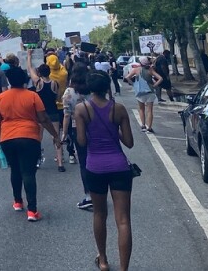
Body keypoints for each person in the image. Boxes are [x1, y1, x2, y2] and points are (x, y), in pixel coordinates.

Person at [75, 71, 135, 271]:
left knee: (99, 214)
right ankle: (124, 268)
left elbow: (82, 141)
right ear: (107, 86)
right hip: (119, 166)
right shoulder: (118, 109)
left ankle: (103, 260)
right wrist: (113, 128)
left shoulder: (81, 109)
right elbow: (129, 142)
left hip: (95, 166)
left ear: (90, 87)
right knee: (123, 220)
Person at [0, 66, 60, 222]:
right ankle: (32, 210)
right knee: (28, 172)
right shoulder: (33, 96)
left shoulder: (1, 97)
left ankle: (17, 201)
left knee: (15, 170)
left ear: (9, 80)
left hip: (8, 137)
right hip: (29, 136)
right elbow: (43, 118)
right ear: (25, 80)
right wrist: (55, 136)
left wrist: (1, 135)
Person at [63, 66, 93, 210]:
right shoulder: (92, 90)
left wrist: (63, 133)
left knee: (84, 162)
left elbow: (67, 114)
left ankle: (89, 195)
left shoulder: (70, 93)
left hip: (77, 128)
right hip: (95, 127)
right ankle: (99, 191)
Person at [27, 57, 64, 171]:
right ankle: (60, 163)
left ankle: (36, 159)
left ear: (39, 73)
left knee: (38, 137)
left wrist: (29, 56)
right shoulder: (55, 83)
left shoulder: (38, 82)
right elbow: (58, 98)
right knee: (56, 136)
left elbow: (29, 68)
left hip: (40, 113)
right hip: (53, 112)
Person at [126, 57, 159, 134]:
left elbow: (127, 77)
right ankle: (149, 128)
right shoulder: (150, 70)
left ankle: (143, 125)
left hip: (140, 92)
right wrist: (154, 85)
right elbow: (160, 78)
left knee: (141, 109)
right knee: (150, 110)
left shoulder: (136, 69)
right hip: (150, 91)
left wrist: (134, 84)